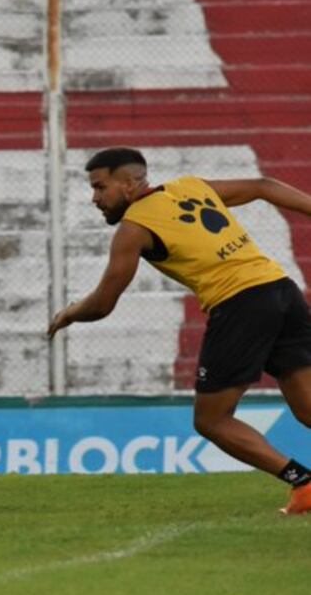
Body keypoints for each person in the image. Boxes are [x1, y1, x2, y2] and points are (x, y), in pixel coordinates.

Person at [47, 147, 311, 515]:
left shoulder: (134, 228)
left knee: (212, 420)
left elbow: (103, 303)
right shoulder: (190, 187)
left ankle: (304, 483)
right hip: (281, 289)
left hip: (240, 303)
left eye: (100, 187)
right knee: (307, 405)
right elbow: (263, 186)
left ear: (129, 183)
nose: (94, 198)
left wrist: (68, 313)